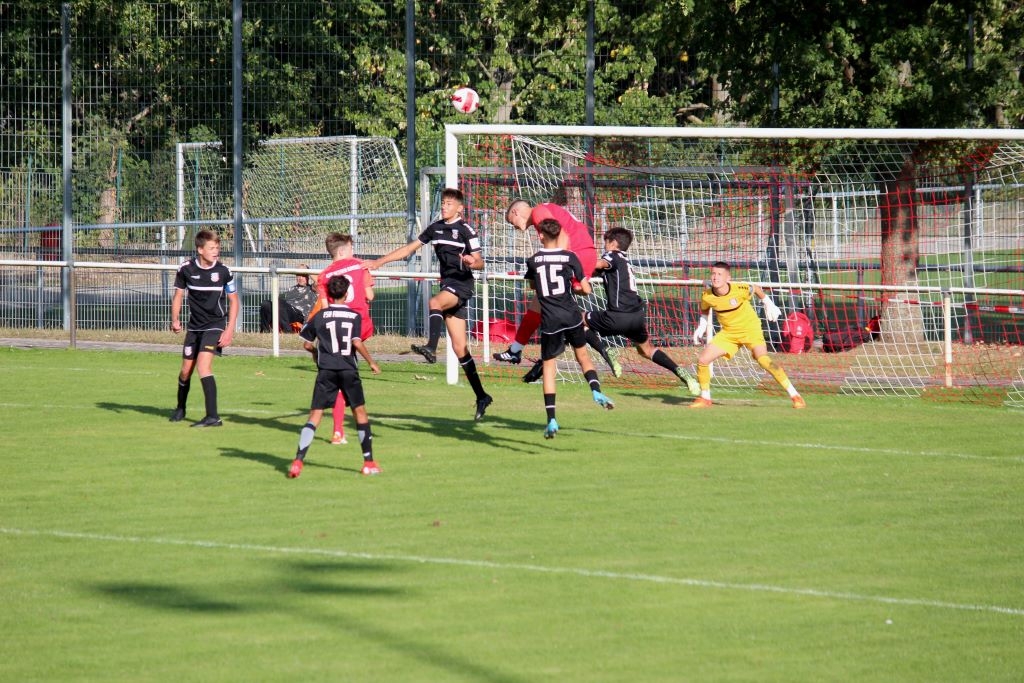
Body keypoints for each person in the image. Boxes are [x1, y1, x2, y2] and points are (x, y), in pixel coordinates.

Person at [364, 187, 493, 421]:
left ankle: (431, 347)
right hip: (448, 284)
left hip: (462, 285)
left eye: (449, 204)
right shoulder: (435, 228)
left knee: (435, 301)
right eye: (443, 203)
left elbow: (480, 262)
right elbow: (408, 249)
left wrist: (471, 262)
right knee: (460, 348)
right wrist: (379, 262)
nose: (444, 206)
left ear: (459, 208)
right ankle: (482, 396)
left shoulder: (466, 230)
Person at [494, 198, 620, 382]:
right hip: (584, 253)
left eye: (511, 222)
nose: (513, 227)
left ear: (515, 212)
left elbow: (563, 236)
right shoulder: (544, 210)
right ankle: (516, 351)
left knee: (551, 306)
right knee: (548, 305)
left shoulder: (538, 212)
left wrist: (555, 262)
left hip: (576, 254)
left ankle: (599, 348)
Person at [525, 218, 615, 439]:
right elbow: (586, 290)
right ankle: (596, 391)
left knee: (549, 367)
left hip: (550, 321)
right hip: (571, 315)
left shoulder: (533, 260)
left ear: (541, 236)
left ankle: (551, 419)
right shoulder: (570, 257)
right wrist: (572, 288)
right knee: (583, 357)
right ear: (559, 235)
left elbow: (534, 286)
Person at [583, 227, 700, 396]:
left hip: (619, 316)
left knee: (576, 319)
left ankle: (605, 351)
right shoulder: (625, 262)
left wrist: (575, 263)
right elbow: (599, 271)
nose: (604, 247)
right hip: (636, 317)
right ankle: (681, 372)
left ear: (613, 243)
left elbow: (598, 264)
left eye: (606, 243)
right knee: (645, 350)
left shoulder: (612, 256)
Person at [289, 276, 381, 478]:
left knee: (315, 415)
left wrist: (316, 353)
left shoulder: (320, 316)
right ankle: (368, 462)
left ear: (329, 295)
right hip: (348, 369)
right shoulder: (354, 316)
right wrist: (371, 362)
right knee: (360, 413)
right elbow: (356, 342)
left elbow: (306, 343)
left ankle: (298, 461)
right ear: (346, 294)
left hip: (326, 370)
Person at [690, 261, 805, 409]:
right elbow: (705, 309)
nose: (715, 277)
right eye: (713, 274)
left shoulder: (739, 289)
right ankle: (705, 398)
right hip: (729, 333)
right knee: (703, 359)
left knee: (763, 360)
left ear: (728, 278)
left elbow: (755, 288)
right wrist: (702, 325)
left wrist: (768, 302)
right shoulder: (707, 295)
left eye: (720, 274)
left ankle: (795, 396)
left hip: (750, 329)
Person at [169, 229, 239, 427]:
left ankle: (213, 416)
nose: (216, 251)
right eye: (211, 248)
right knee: (185, 371)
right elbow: (178, 295)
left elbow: (234, 301)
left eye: (217, 247)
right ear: (200, 250)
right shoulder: (186, 269)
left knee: (203, 366)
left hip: (215, 326)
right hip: (194, 327)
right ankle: (180, 408)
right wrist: (175, 319)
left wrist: (229, 330)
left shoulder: (224, 272)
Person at [311, 233, 375, 445]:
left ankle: (338, 430)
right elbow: (370, 296)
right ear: (342, 251)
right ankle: (345, 429)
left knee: (337, 375)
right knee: (346, 376)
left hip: (336, 328)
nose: (353, 252)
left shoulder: (323, 275)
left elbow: (325, 307)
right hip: (359, 324)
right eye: (350, 248)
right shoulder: (360, 265)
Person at [258, 266, 317, 333]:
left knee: (279, 303)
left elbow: (318, 281)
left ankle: (288, 331)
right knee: (266, 304)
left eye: (303, 276)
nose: (300, 278)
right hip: (285, 312)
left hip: (298, 314)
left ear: (308, 277)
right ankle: (265, 331)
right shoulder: (291, 289)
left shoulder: (312, 288)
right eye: (298, 275)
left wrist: (307, 271)